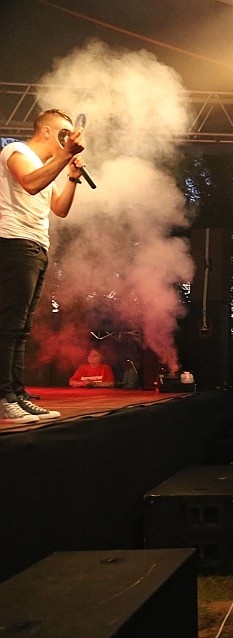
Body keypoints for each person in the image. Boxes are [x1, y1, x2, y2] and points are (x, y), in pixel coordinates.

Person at [0, 108, 87, 423]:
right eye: (64, 133)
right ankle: (4, 397)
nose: (68, 138)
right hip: (14, 242)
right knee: (9, 325)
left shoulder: (47, 167)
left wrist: (73, 178)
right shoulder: (17, 151)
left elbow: (60, 209)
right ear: (47, 131)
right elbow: (29, 183)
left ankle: (18, 395)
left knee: (22, 328)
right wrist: (65, 156)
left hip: (37, 246)